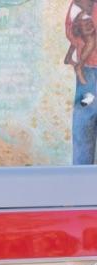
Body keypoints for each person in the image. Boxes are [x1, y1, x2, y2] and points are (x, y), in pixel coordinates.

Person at [69, 0, 97, 163]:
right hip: (89, 71)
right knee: (84, 123)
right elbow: (71, 31)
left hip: (88, 71)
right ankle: (80, 180)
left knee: (84, 121)